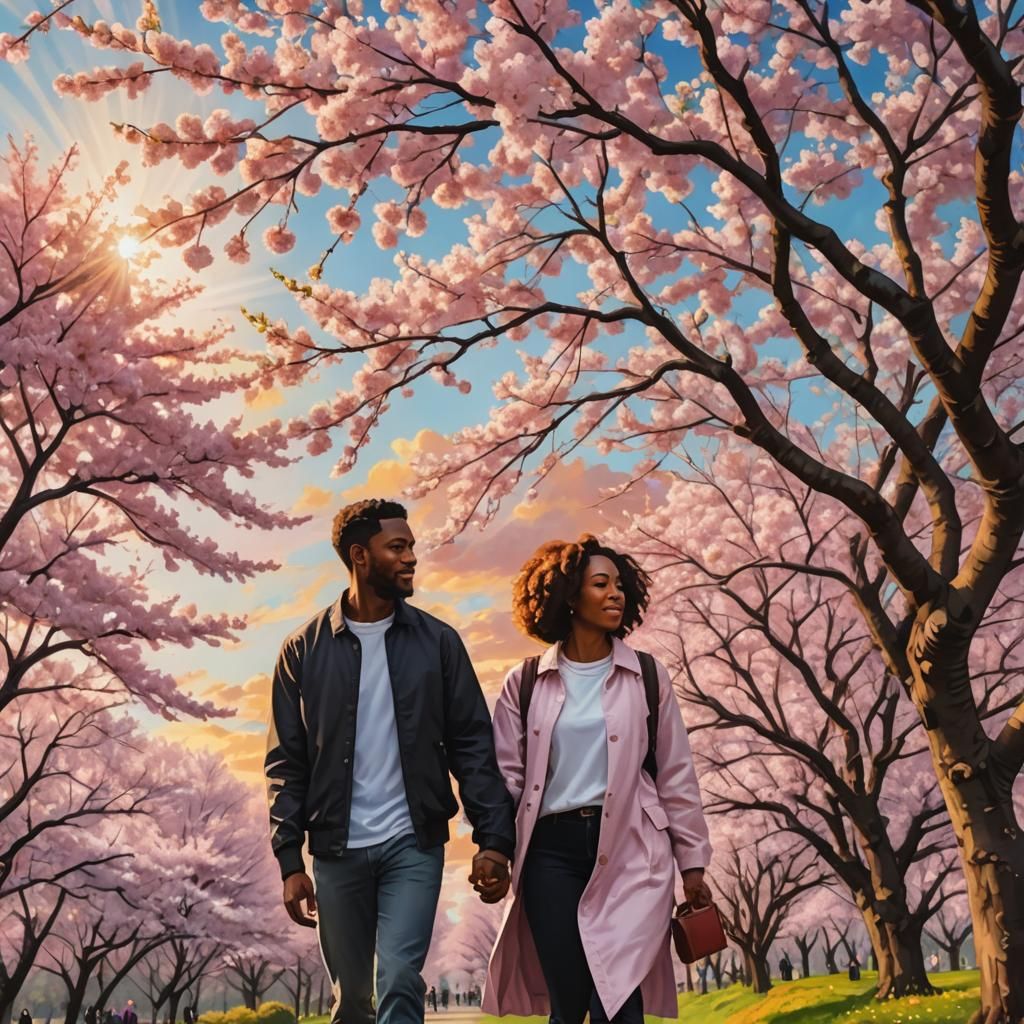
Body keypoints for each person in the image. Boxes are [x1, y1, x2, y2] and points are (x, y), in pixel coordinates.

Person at [265, 499, 516, 1024]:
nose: (410, 559)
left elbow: (472, 745)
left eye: (411, 548)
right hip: (335, 848)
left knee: (401, 977)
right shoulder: (301, 651)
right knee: (353, 1001)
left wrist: (493, 841)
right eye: (396, 547)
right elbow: (285, 764)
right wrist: (290, 860)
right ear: (360, 556)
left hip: (413, 842)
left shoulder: (440, 643)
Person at [482, 535, 714, 1024]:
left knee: (620, 1000)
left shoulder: (648, 676)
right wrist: (494, 849)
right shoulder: (524, 683)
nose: (616, 594)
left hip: (635, 852)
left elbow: (676, 775)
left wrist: (692, 863)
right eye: (600, 584)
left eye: (619, 585)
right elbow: (505, 779)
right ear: (568, 595)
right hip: (551, 855)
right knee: (568, 1002)